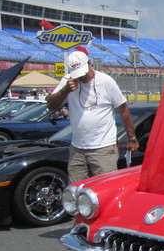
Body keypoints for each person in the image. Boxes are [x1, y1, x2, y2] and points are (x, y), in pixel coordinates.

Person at [46, 50, 139, 183]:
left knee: (105, 187)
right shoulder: (67, 81)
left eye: (84, 73)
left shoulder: (106, 81)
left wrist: (132, 138)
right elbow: (51, 105)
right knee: (76, 189)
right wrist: (65, 90)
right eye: (78, 75)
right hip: (78, 147)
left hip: (103, 147)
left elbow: (123, 110)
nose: (82, 78)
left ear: (90, 64)